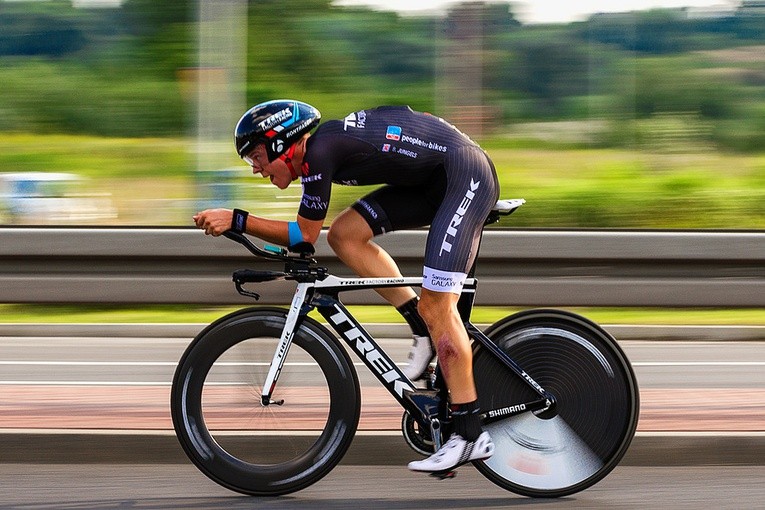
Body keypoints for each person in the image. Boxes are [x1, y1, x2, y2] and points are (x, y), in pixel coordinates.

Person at [194, 99, 498, 474]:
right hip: (434, 180)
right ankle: (419, 324)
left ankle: (470, 435)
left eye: (255, 156)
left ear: (280, 143)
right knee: (345, 234)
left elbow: (303, 235)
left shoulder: (319, 152)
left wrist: (236, 219)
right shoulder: (320, 151)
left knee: (439, 307)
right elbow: (316, 237)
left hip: (464, 178)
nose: (255, 168)